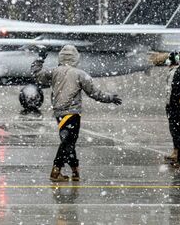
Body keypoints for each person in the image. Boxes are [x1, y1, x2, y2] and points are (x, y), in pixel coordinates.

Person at [32, 45, 122, 182]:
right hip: (72, 113)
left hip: (59, 113)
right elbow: (94, 93)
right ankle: (55, 171)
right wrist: (110, 98)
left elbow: (37, 74)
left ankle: (75, 172)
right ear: (76, 58)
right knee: (68, 143)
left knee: (68, 142)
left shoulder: (54, 72)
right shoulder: (80, 74)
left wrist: (40, 58)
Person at [164, 51, 180, 163]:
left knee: (174, 129)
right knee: (179, 129)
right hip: (179, 104)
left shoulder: (172, 73)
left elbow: (169, 90)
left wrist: (168, 104)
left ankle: (176, 152)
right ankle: (179, 152)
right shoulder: (179, 71)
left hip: (173, 105)